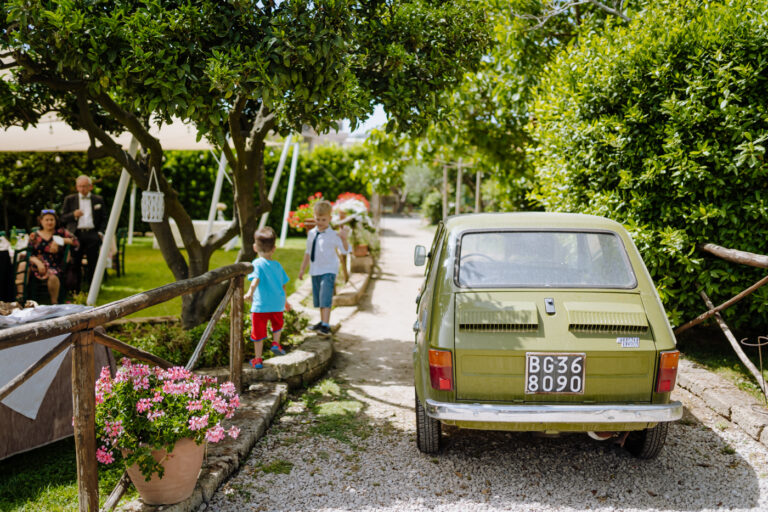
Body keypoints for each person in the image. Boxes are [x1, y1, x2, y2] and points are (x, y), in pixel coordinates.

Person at [297, 200, 350, 337]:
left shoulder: (333, 235)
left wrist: (344, 239)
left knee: (325, 296)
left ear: (330, 219)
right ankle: (322, 322)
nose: (320, 222)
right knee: (319, 298)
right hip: (315, 270)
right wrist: (302, 269)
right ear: (314, 217)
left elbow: (345, 251)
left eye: (324, 219)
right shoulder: (312, 234)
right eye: (318, 219)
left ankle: (326, 325)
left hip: (328, 270)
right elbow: (308, 252)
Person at [243, 226, 291, 369]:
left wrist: (250, 293)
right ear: (274, 248)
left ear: (254, 248)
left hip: (261, 306)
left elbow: (255, 280)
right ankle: (276, 343)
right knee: (277, 325)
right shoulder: (277, 265)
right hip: (277, 304)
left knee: (258, 332)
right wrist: (286, 302)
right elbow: (283, 286)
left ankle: (258, 360)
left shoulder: (257, 263)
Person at [60, 175, 107, 291]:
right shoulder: (70, 199)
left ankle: (93, 288)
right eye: (80, 186)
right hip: (76, 235)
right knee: (75, 262)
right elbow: (62, 218)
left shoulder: (98, 200)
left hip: (92, 234)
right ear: (76, 187)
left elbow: (105, 218)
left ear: (90, 187)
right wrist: (73, 215)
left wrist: (100, 233)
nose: (82, 189)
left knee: (93, 263)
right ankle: (76, 289)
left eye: (84, 186)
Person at [23, 209, 79, 304]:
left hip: (53, 264)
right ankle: (21, 299)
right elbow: (29, 253)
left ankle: (54, 303)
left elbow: (76, 242)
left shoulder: (60, 233)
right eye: (46, 220)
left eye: (51, 220)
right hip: (36, 264)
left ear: (55, 221)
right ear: (41, 221)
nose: (49, 222)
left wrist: (61, 240)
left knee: (53, 276)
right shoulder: (34, 235)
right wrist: (38, 263)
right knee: (22, 266)